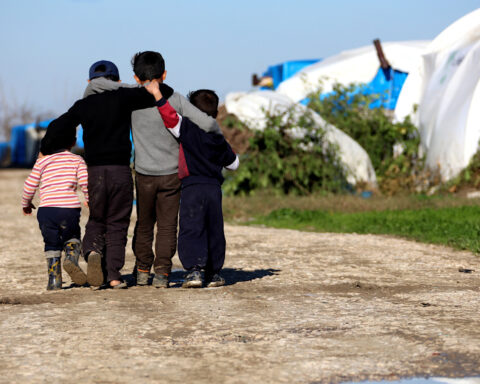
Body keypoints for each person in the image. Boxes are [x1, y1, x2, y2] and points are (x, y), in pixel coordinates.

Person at [85, 51, 224, 288]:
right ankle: (162, 274)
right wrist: (218, 140)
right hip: (172, 175)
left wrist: (121, 84)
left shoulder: (130, 98)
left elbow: (99, 87)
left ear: (136, 78)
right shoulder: (176, 99)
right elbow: (209, 123)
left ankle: (141, 271)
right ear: (165, 73)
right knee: (168, 226)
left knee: (145, 224)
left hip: (144, 174)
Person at [40, 60, 171, 289]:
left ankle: (92, 251)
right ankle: (113, 275)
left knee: (97, 219)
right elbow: (162, 91)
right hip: (120, 171)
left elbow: (60, 125)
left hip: (95, 172)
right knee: (118, 223)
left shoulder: (84, 104)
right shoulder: (124, 97)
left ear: (90, 82)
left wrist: (44, 149)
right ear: (117, 81)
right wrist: (133, 86)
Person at [145, 82, 239, 288]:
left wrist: (157, 95)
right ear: (215, 113)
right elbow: (234, 163)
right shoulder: (217, 137)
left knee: (191, 228)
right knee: (214, 229)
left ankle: (194, 271)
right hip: (214, 189)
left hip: (191, 187)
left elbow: (169, 117)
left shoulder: (186, 127)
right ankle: (214, 273)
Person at [22, 128, 89, 290]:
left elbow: (29, 185)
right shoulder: (77, 160)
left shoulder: (42, 161)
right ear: (73, 143)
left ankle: (54, 281)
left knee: (51, 243)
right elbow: (85, 182)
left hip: (47, 211)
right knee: (72, 235)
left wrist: (26, 203)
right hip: (69, 210)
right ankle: (71, 261)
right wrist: (89, 198)